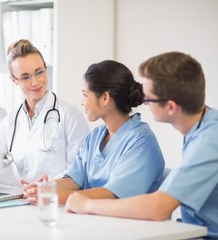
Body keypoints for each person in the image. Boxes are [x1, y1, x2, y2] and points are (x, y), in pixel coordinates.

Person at [65, 52, 218, 238]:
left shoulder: (209, 140)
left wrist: (87, 204)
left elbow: (158, 207)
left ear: (170, 107)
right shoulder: (202, 127)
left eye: (148, 98)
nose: (142, 101)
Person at [22, 60, 165, 205]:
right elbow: (73, 179)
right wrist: (45, 188)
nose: (82, 102)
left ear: (105, 98)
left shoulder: (141, 141)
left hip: (128, 224)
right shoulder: (95, 137)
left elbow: (112, 194)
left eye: (85, 94)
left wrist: (52, 197)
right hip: (91, 219)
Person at [0, 39, 90, 187]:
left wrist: (44, 188)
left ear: (45, 69)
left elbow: (78, 174)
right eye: (25, 77)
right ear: (14, 80)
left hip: (56, 204)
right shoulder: (9, 123)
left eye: (39, 72)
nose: (35, 82)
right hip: (21, 202)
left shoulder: (71, 116)